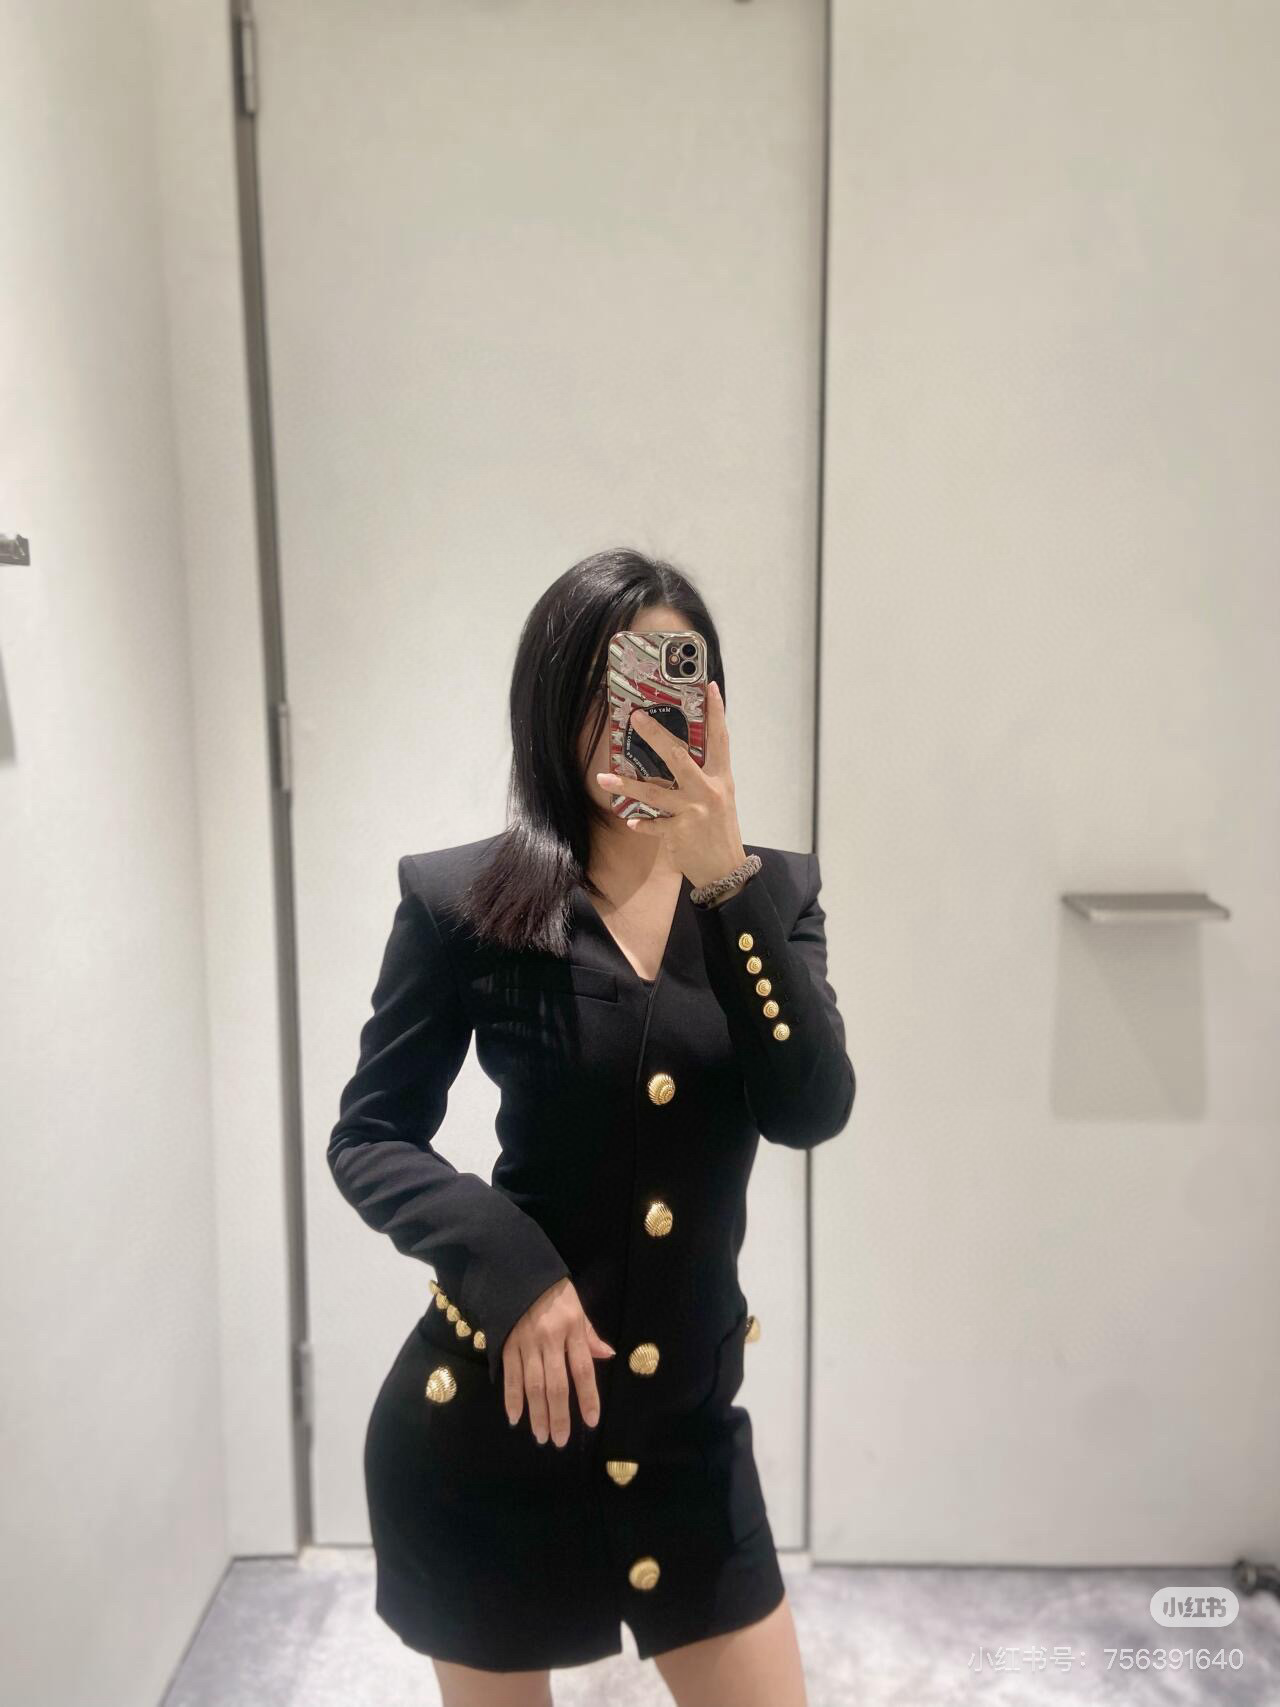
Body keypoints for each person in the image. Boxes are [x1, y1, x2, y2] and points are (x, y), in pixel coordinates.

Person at [328, 547, 856, 1707]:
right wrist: (509, 1267)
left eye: (668, 685)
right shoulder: (464, 901)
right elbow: (369, 1136)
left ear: (708, 707)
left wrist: (725, 882)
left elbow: (810, 1108)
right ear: (552, 709)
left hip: (683, 1437)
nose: (632, 726)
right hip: (495, 1420)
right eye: (602, 695)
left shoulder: (772, 898)